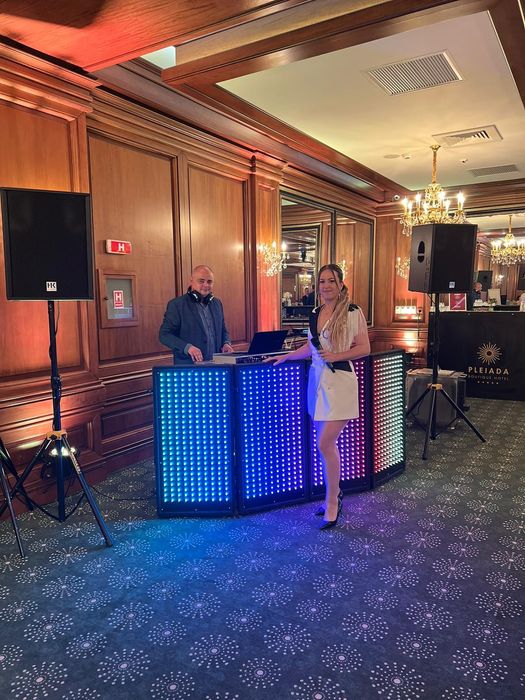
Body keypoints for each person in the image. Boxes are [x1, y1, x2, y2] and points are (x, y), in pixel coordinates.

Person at [265, 264, 370, 529]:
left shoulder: (352, 311)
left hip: (341, 383)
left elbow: (364, 348)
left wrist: (336, 355)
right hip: (318, 383)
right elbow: (311, 347)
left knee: (325, 443)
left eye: (331, 281)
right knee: (325, 446)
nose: (326, 286)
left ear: (341, 284)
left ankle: (333, 500)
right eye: (322, 281)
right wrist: (286, 356)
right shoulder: (315, 312)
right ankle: (332, 494)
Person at [159, 265, 234, 364]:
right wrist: (187, 348)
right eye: (201, 281)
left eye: (209, 282)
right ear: (191, 281)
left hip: (216, 366)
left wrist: (226, 343)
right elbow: (164, 335)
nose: (206, 285)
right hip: (190, 367)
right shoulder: (177, 305)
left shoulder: (217, 303)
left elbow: (223, 330)